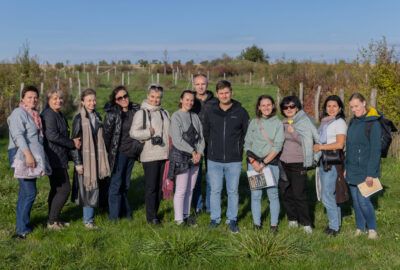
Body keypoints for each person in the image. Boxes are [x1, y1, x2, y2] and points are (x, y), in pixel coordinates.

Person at [203, 80, 249, 233]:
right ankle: (215, 218)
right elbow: (206, 133)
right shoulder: (210, 111)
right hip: (214, 159)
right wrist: (212, 149)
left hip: (234, 160)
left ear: (231, 92)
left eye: (227, 92)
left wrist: (238, 149)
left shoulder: (241, 111)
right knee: (215, 190)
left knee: (232, 191)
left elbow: (245, 134)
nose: (224, 95)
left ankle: (232, 219)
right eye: (221, 93)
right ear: (217, 94)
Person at [7, 86, 51, 239]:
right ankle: (23, 230)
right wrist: (28, 155)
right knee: (30, 192)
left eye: (35, 97)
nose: (33, 100)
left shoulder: (33, 114)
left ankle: (22, 227)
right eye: (29, 97)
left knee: (25, 193)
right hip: (21, 152)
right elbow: (18, 136)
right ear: (22, 98)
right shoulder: (19, 113)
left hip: (29, 152)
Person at [130, 84, 170, 225]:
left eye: (158, 97)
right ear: (148, 96)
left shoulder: (164, 112)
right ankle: (151, 217)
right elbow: (133, 132)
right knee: (151, 187)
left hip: (164, 154)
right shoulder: (142, 113)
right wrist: (149, 133)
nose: (155, 100)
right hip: (150, 155)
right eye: (152, 97)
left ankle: (155, 213)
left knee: (159, 188)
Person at [41, 89, 81, 230]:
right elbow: (51, 135)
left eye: (60, 98)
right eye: (55, 98)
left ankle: (53, 219)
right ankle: (52, 221)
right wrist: (72, 143)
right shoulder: (48, 115)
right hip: (54, 157)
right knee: (64, 189)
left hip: (60, 155)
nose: (58, 100)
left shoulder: (59, 114)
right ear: (48, 100)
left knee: (56, 189)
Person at [279, 96, 320, 234]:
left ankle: (306, 223)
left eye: (291, 106)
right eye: (286, 107)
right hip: (283, 162)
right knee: (286, 192)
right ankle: (292, 219)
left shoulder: (305, 121)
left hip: (299, 163)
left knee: (299, 193)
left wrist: (294, 133)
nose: (289, 109)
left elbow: (312, 140)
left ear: (297, 107)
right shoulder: (283, 122)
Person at [71, 88, 110, 229]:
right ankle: (88, 220)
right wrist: (78, 164)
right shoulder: (78, 119)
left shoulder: (97, 116)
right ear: (83, 102)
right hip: (85, 159)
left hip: (97, 159)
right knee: (88, 189)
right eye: (89, 100)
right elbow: (74, 142)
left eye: (94, 100)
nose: (92, 103)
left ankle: (95, 214)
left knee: (96, 187)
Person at [244, 95, 284, 232]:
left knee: (273, 194)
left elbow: (277, 146)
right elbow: (247, 144)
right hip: (254, 162)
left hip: (270, 163)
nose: (266, 108)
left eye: (269, 105)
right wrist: (254, 162)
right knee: (256, 195)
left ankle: (273, 225)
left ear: (273, 106)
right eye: (263, 105)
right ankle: (257, 224)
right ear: (259, 107)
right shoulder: (254, 123)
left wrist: (263, 163)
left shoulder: (278, 124)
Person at [345, 93, 381, 239]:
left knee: (364, 201)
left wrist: (371, 173)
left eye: (357, 106)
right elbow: (349, 146)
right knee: (356, 202)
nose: (354, 109)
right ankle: (360, 228)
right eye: (352, 107)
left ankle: (372, 229)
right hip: (352, 169)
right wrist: (347, 167)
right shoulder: (352, 122)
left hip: (366, 170)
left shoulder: (373, 124)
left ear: (364, 103)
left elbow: (375, 151)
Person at [103, 86, 140, 221]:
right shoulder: (112, 114)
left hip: (131, 153)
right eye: (120, 98)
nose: (124, 99)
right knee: (116, 185)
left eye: (125, 96)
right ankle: (113, 217)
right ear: (115, 101)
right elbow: (106, 137)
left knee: (125, 185)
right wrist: (112, 152)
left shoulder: (135, 110)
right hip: (119, 153)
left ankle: (126, 213)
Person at [169, 90, 205, 226]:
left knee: (190, 188)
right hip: (181, 156)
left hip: (195, 158)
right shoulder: (176, 116)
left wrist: (199, 152)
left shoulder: (195, 116)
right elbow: (177, 140)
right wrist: (192, 151)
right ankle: (179, 219)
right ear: (181, 100)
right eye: (187, 99)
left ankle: (186, 215)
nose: (189, 102)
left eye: (192, 100)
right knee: (181, 189)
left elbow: (201, 137)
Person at [313, 95, 347, 236]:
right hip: (324, 160)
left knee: (327, 195)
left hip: (332, 162)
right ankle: (336, 224)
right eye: (329, 106)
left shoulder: (339, 123)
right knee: (331, 194)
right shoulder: (325, 122)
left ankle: (334, 228)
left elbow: (340, 144)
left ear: (340, 108)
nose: (331, 109)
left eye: (334, 106)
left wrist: (320, 147)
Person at [191, 74, 217, 215]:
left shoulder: (215, 102)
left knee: (211, 177)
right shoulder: (191, 101)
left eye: (203, 84)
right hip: (195, 144)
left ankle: (210, 206)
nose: (200, 87)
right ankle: (197, 206)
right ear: (194, 85)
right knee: (196, 177)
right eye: (197, 84)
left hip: (212, 143)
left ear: (207, 84)